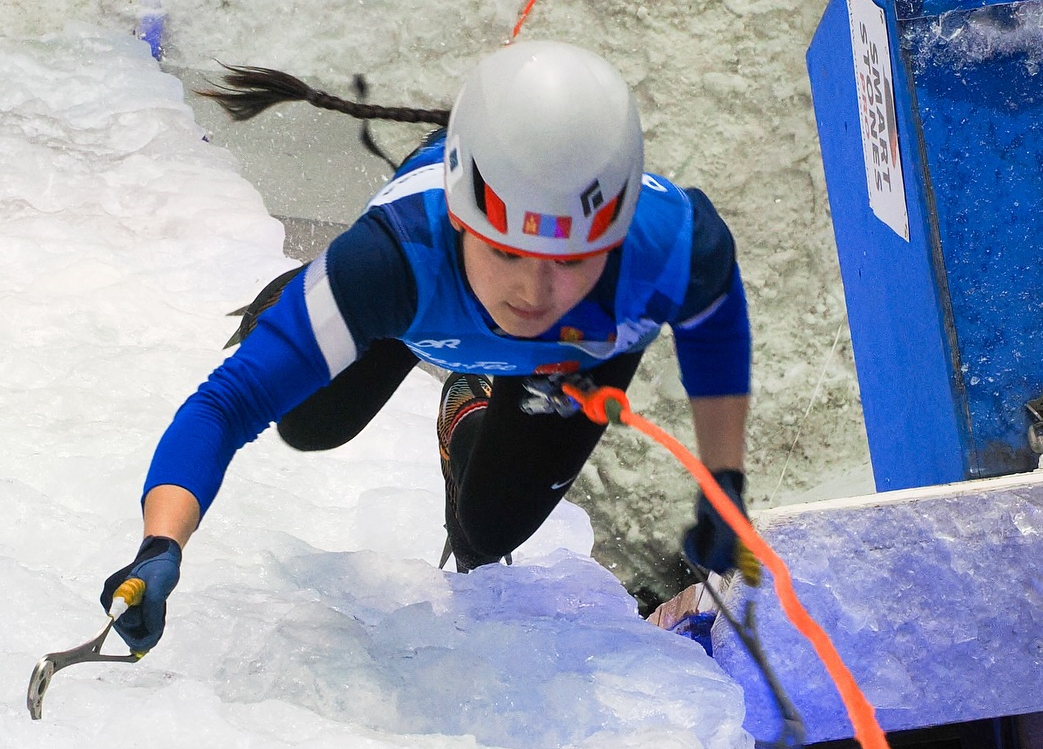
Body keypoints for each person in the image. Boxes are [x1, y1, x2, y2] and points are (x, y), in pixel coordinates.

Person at [101, 41, 754, 652]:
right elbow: (225, 405)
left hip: (565, 350)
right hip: (408, 305)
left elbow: (717, 338)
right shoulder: (392, 259)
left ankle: (466, 394)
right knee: (309, 422)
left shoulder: (677, 250)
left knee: (488, 531)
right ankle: (302, 307)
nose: (534, 291)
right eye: (506, 250)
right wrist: (161, 545)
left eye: (574, 260)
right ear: (462, 219)